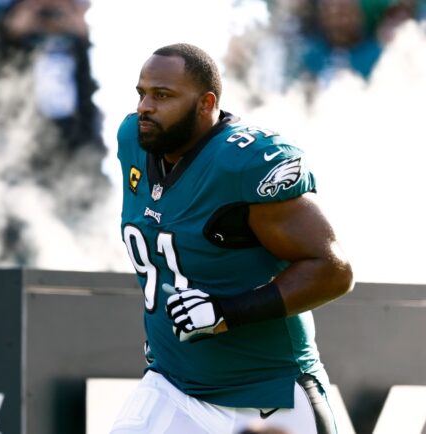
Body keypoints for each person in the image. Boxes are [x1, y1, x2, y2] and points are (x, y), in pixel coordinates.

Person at [113, 43, 354, 434]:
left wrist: (228, 311)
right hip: (173, 383)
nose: (145, 107)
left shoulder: (244, 163)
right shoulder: (134, 141)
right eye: (141, 93)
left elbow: (334, 270)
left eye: (162, 95)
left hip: (265, 394)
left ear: (206, 104)